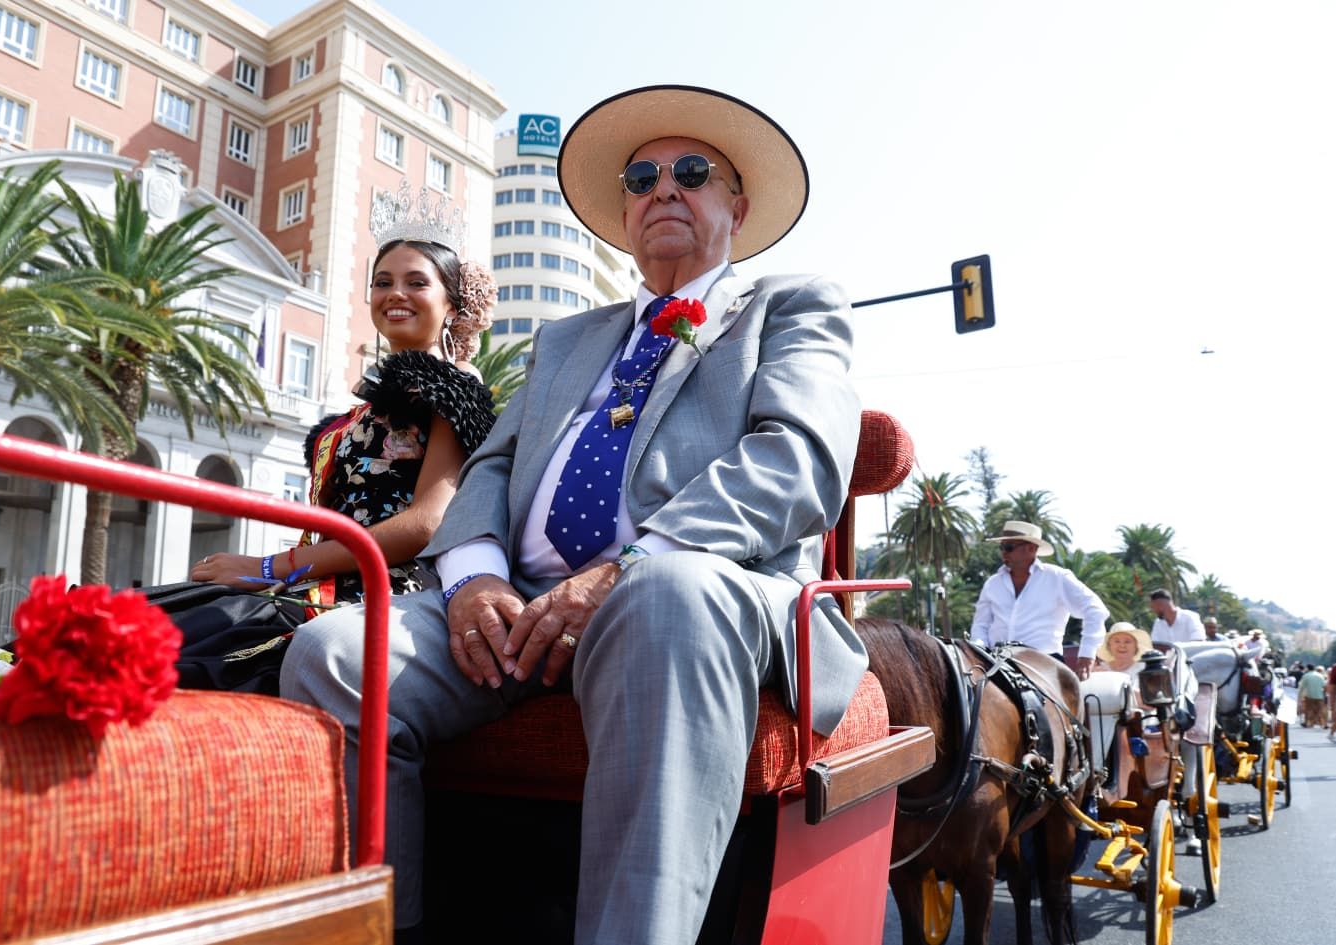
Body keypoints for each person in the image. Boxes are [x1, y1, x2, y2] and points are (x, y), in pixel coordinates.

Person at [282, 84, 860, 944]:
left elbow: (798, 460)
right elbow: (492, 465)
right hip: (515, 603)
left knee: (665, 595)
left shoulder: (792, 306)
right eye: (641, 176)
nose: (662, 187)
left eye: (691, 171)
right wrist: (473, 578)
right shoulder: (565, 338)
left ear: (734, 205)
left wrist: (620, 570)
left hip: (693, 590)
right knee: (332, 650)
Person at [149, 210, 498, 694]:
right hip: (310, 582)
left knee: (179, 650)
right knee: (142, 619)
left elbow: (425, 525)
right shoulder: (355, 414)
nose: (396, 293)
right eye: (383, 281)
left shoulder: (454, 393)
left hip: (379, 595)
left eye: (417, 282)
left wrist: (268, 568)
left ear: (453, 306)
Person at [969, 520, 1109, 679]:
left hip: (1045, 664)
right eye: (1002, 547)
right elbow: (981, 625)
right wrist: (977, 653)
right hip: (997, 664)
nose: (1004, 553)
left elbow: (1096, 610)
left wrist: (1087, 655)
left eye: (1008, 547)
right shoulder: (992, 584)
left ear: (1031, 548)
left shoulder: (1056, 577)